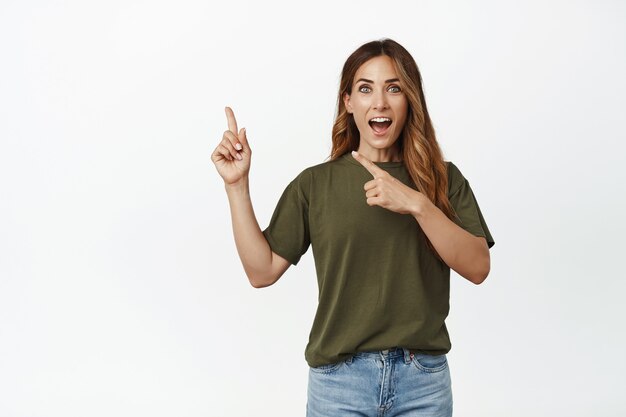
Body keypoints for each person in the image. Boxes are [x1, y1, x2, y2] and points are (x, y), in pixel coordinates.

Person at [211, 38, 495, 417]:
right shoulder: (315, 185)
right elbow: (261, 272)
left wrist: (416, 204)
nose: (379, 102)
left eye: (393, 88)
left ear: (410, 99)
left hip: (422, 383)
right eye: (365, 88)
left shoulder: (443, 180)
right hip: (339, 386)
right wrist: (236, 186)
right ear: (348, 102)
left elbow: (478, 267)